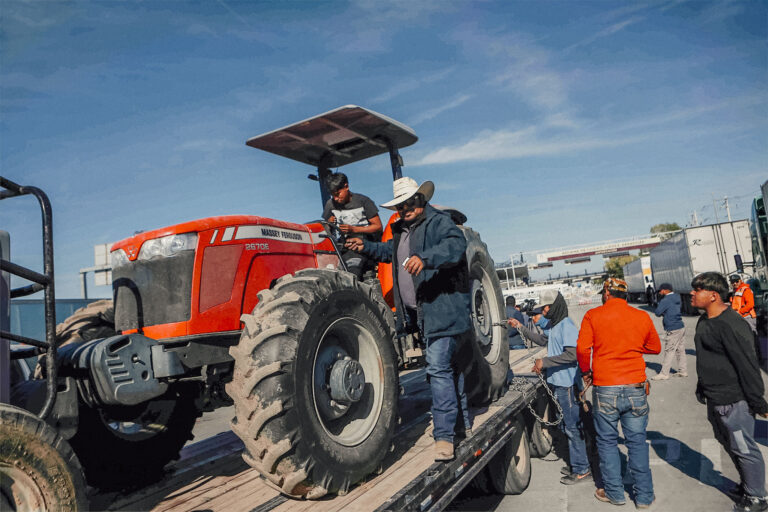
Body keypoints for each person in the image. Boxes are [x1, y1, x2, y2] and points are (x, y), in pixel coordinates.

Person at [344, 176, 470, 462]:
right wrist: (366, 247)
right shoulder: (402, 230)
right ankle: (460, 427)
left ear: (421, 199)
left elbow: (455, 246)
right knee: (449, 370)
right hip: (424, 315)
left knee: (438, 370)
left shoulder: (439, 222)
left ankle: (444, 437)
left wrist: (425, 258)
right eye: (400, 206)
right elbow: (391, 252)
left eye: (410, 203)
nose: (405, 209)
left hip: (443, 310)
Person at [576, 278, 661, 508]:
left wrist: (586, 371)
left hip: (605, 387)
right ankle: (644, 497)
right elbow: (655, 347)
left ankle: (614, 493)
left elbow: (582, 348)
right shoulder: (641, 316)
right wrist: (631, 346)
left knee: (607, 442)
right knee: (637, 442)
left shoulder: (593, 315)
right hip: (635, 387)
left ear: (607, 293)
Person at [690, 272, 768, 512]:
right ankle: (748, 485)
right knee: (729, 443)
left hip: (735, 401)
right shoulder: (705, 321)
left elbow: (748, 365)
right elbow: (707, 358)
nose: (692, 293)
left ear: (713, 295)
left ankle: (757, 498)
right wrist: (702, 386)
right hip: (715, 398)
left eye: (697, 290)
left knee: (744, 448)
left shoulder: (731, 324)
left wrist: (758, 401)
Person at [528, 289, 593, 486]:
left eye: (546, 307)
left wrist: (545, 362)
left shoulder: (566, 325)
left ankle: (582, 469)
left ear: (555, 306)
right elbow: (543, 340)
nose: (544, 311)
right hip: (558, 384)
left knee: (572, 428)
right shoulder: (554, 325)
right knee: (566, 426)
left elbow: (573, 355)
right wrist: (522, 328)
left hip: (567, 385)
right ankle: (577, 463)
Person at [322, 172, 383, 279]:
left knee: (352, 272)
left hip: (365, 245)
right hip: (345, 247)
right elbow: (325, 229)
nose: (335, 198)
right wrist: (329, 224)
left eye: (338, 194)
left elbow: (378, 226)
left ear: (346, 186)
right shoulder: (330, 205)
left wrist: (354, 229)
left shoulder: (363, 201)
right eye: (332, 195)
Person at [652, 283, 687, 380]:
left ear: (665, 290)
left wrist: (663, 311)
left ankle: (664, 373)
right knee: (680, 350)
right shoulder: (677, 297)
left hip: (672, 327)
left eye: (661, 290)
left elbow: (657, 312)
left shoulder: (665, 300)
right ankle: (683, 370)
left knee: (669, 350)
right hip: (680, 326)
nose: (660, 292)